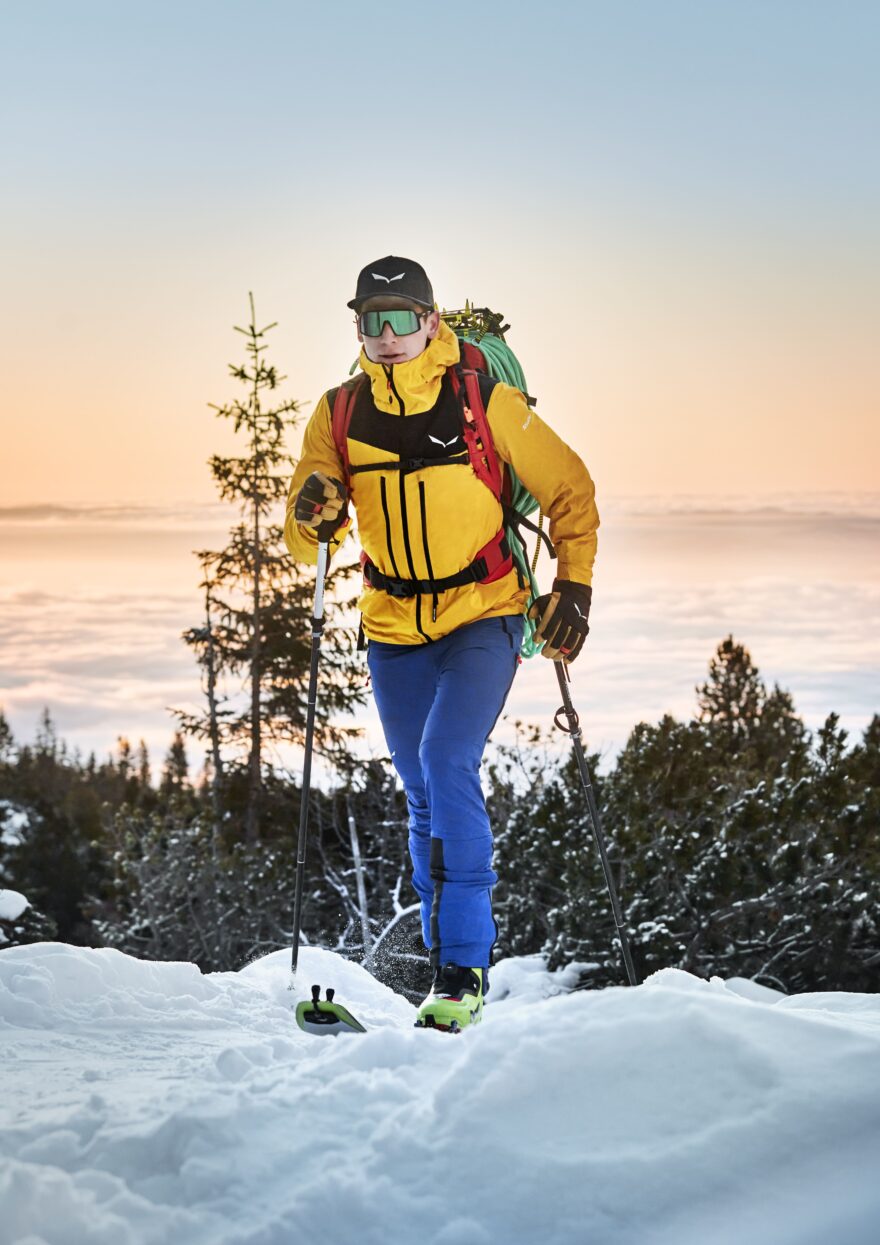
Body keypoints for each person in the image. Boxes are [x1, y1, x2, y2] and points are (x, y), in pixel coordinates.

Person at [285, 255, 599, 1029]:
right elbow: (306, 545)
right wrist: (311, 513)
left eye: (401, 319)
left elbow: (571, 488)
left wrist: (575, 587)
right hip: (393, 624)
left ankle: (466, 967)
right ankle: (442, 972)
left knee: (446, 760)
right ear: (358, 328)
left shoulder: (482, 398)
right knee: (421, 788)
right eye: (371, 321)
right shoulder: (335, 415)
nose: (387, 336)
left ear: (432, 322)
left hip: (486, 610)